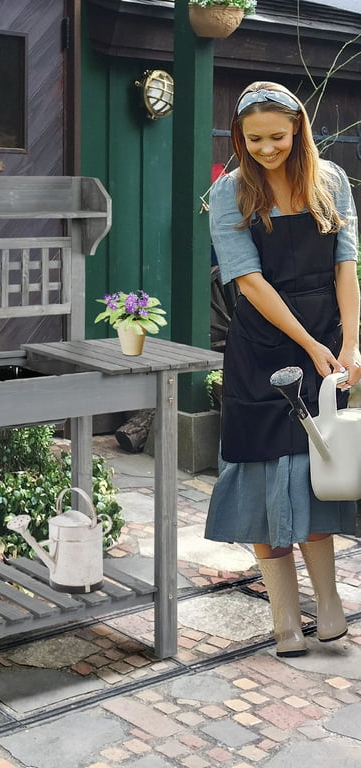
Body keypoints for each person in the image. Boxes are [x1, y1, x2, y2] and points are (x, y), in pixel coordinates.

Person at [205, 81, 360, 657]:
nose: (266, 148)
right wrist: (309, 344)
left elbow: (348, 262)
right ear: (240, 139)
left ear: (297, 130)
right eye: (253, 139)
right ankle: (284, 620)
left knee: (317, 474)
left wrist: (351, 343)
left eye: (276, 136)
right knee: (260, 483)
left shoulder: (332, 182)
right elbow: (247, 280)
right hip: (262, 349)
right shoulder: (229, 192)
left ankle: (332, 607)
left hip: (327, 338)